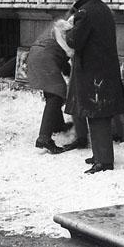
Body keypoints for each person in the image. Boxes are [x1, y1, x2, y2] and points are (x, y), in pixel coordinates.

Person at [64, 0, 124, 174]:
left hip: (93, 71)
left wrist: (68, 28)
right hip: (104, 68)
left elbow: (75, 41)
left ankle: (104, 161)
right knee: (99, 114)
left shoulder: (84, 12)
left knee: (97, 115)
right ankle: (99, 155)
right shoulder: (102, 8)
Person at [28, 18, 75, 154]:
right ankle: (44, 138)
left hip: (37, 54)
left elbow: (61, 56)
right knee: (56, 93)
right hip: (45, 57)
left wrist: (68, 71)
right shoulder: (70, 31)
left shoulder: (60, 28)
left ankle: (58, 125)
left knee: (53, 91)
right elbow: (66, 52)